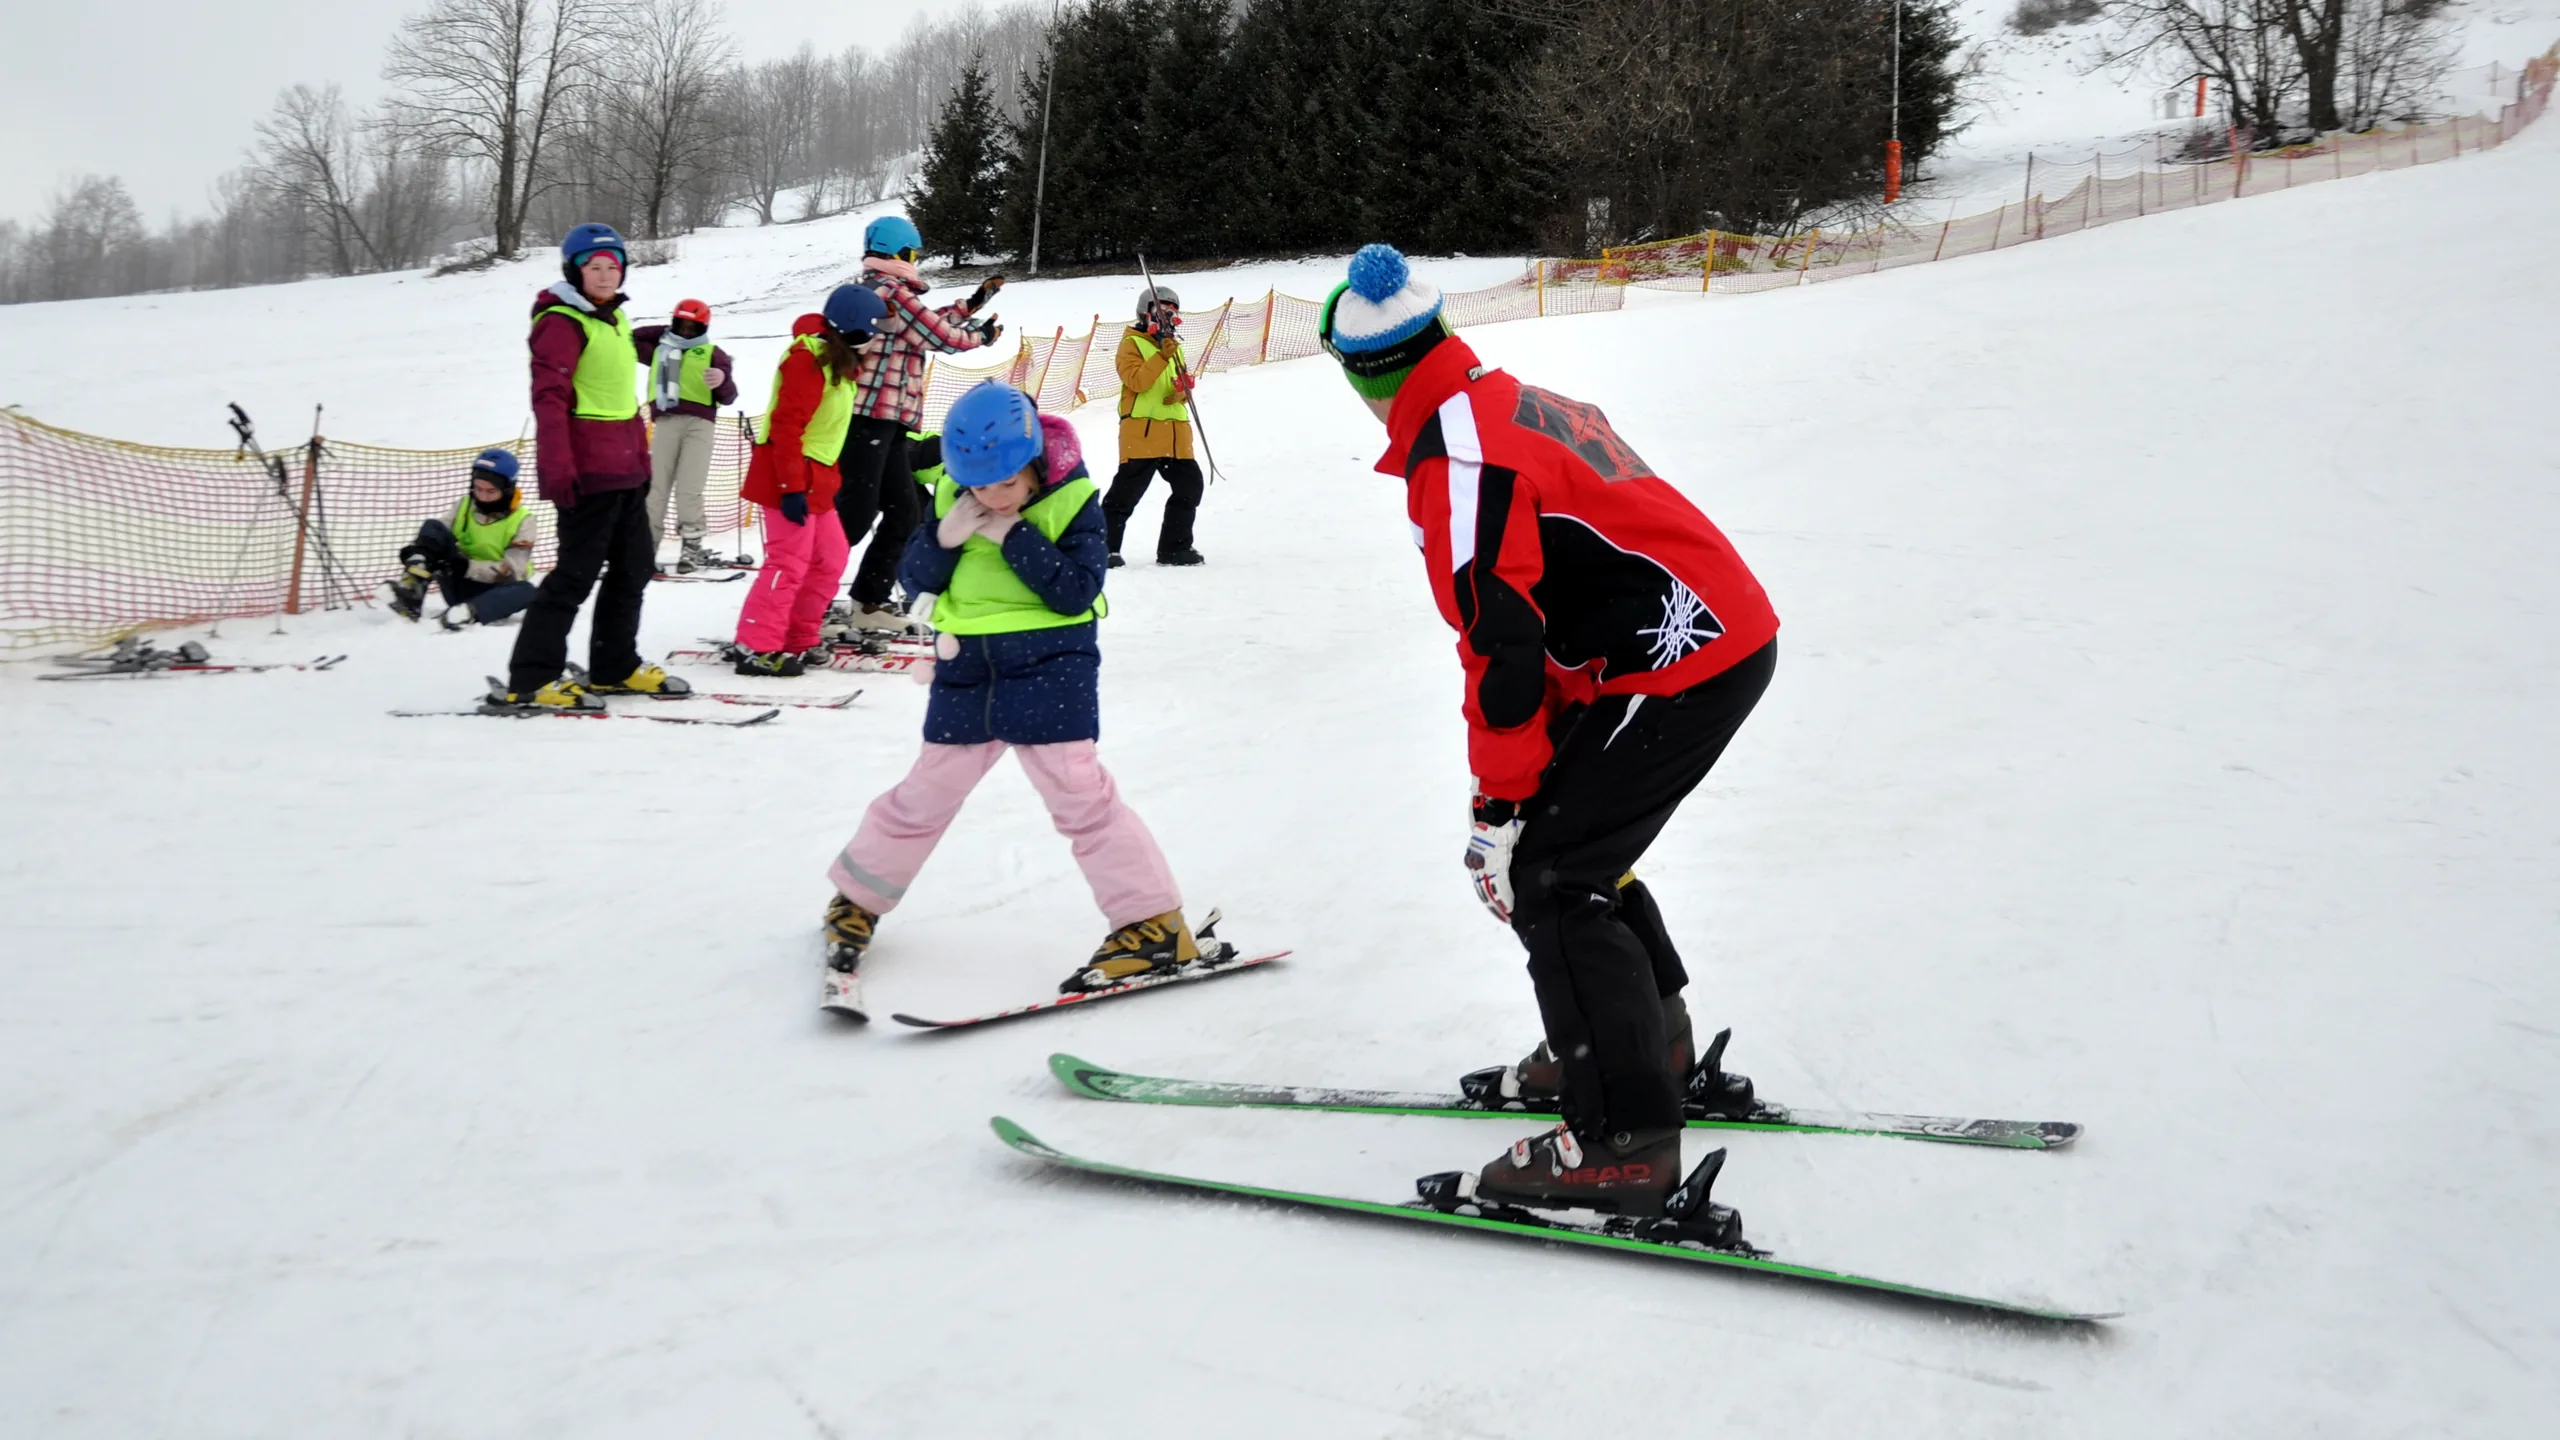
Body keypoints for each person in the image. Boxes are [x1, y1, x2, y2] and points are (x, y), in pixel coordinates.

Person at [1320, 244, 1780, 1218]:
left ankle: (1619, 1140)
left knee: (1553, 874)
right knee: (1575, 851)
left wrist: (1501, 803)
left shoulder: (1457, 458)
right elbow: (1570, 593)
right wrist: (1528, 787)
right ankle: (1644, 1052)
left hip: (1683, 661)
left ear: (1362, 376)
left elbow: (1504, 648)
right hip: (1699, 637)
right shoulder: (1507, 401)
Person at [815, 382, 1203, 1018]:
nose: (991, 498)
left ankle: (1153, 923)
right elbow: (914, 580)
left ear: (1033, 464)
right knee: (925, 793)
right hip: (966, 666)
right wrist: (942, 538)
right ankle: (857, 899)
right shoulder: (956, 494)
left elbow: (1076, 590)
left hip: (1051, 664)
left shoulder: (1074, 499)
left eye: (1005, 485)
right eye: (978, 487)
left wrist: (1015, 536)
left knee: (1080, 796)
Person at [495, 222, 691, 710]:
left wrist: (642, 462)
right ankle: (532, 678)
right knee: (575, 576)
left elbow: (621, 395)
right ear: (575, 271)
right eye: (594, 267)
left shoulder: (613, 318)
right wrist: (557, 468)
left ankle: (613, 666)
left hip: (626, 468)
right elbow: (549, 398)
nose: (605, 276)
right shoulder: (562, 323)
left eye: (613, 267)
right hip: (588, 471)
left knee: (634, 568)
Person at [835, 214, 1005, 632]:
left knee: (904, 513)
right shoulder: (890, 290)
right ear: (899, 252)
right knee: (853, 517)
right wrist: (981, 336)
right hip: (869, 420)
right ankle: (805, 597)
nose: (916, 260)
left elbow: (926, 322)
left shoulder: (884, 290)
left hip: (889, 424)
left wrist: (970, 305)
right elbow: (941, 335)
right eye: (913, 253)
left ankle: (869, 604)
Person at [732, 284, 886, 676]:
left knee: (830, 557)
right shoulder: (808, 362)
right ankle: (756, 645)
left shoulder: (840, 365)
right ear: (855, 329)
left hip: (818, 478)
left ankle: (798, 636)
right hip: (788, 474)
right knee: (788, 562)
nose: (878, 339)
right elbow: (786, 427)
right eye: (874, 330)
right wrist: (791, 488)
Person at [632, 297, 741, 572]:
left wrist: (722, 381)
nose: (686, 331)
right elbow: (632, 339)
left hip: (699, 425)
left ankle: (691, 548)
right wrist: (665, 332)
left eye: (693, 327)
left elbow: (729, 397)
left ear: (703, 328)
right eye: (681, 325)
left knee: (689, 488)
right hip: (665, 422)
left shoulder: (713, 354)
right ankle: (645, 549)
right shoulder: (660, 350)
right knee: (656, 489)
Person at [1102, 285, 1206, 567]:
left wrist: (1182, 391)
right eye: (1161, 310)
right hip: (1143, 431)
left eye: (1172, 312)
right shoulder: (1132, 344)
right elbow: (1137, 381)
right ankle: (1103, 549)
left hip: (1175, 433)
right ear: (1145, 312)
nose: (1167, 317)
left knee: (1189, 487)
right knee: (1125, 494)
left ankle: (1175, 548)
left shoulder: (1174, 346)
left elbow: (1175, 384)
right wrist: (1161, 356)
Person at [385, 448, 539, 629]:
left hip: (495, 591)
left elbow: (512, 571)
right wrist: (421, 551)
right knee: (433, 526)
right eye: (478, 489)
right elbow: (439, 533)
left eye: (491, 491)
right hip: (458, 583)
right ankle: (412, 591)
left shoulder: (523, 520)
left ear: (507, 489)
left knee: (527, 591)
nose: (483, 497)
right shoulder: (465, 505)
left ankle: (467, 614)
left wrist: (468, 567)